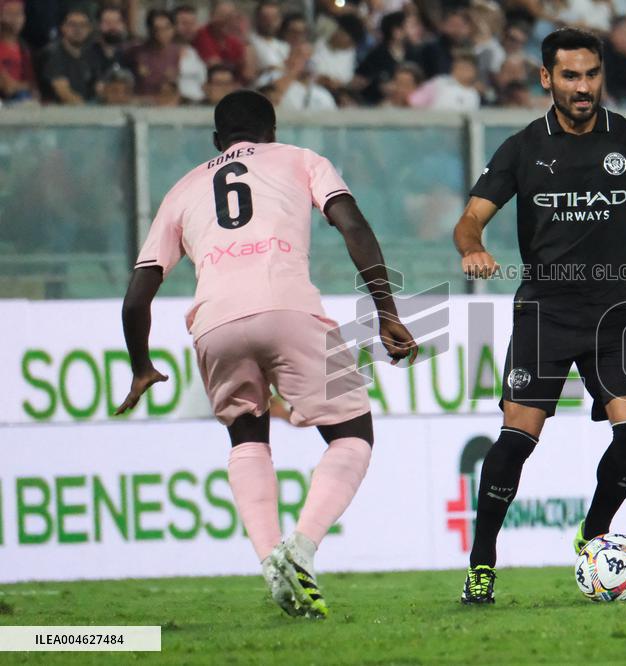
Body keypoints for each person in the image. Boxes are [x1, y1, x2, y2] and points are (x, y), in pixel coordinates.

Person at [116, 90, 417, 618]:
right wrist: (386, 311)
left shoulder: (182, 188)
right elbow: (354, 227)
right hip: (288, 308)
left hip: (213, 324)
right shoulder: (302, 159)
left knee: (247, 436)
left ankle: (268, 560)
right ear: (272, 131)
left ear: (217, 141)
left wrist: (141, 365)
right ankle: (300, 549)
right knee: (352, 435)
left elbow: (137, 294)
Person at [452, 28, 626, 604]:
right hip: (545, 311)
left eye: (592, 75)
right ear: (546, 79)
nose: (583, 88)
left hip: (619, 312)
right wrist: (472, 246)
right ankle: (482, 565)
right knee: (515, 441)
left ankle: (594, 532)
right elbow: (469, 220)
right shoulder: (523, 147)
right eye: (571, 76)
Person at [0, 0, 34, 104]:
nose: (16, 18)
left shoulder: (25, 48)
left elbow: (33, 87)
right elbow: (8, 87)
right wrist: (25, 86)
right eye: (10, 13)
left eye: (19, 13)